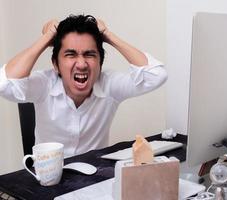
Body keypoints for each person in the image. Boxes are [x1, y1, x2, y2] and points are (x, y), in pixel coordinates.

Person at [0, 14, 167, 158]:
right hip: (47, 180)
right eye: (70, 54)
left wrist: (108, 35)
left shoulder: (108, 84)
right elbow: (4, 84)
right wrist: (47, 38)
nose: (81, 64)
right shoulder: (44, 83)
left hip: (93, 180)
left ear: (100, 64)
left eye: (89, 54)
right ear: (56, 64)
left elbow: (157, 76)